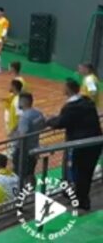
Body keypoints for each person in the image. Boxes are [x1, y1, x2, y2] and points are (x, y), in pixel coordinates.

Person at [46, 78, 103, 212]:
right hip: (95, 142)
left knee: (78, 172)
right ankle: (82, 199)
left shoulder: (71, 107)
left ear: (68, 89)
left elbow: (61, 122)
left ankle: (80, 201)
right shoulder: (87, 102)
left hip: (81, 145)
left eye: (64, 87)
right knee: (86, 173)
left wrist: (48, 121)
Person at [14, 93, 45, 188]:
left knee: (20, 174)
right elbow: (43, 125)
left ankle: (21, 194)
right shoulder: (38, 113)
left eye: (19, 101)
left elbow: (22, 136)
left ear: (23, 102)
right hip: (34, 147)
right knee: (31, 173)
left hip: (23, 151)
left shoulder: (24, 117)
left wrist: (14, 139)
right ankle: (32, 193)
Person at [3, 80, 23, 156]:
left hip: (15, 129)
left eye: (11, 85)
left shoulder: (18, 100)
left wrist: (13, 129)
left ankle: (13, 155)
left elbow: (20, 117)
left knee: (15, 144)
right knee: (12, 143)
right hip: (13, 126)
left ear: (14, 87)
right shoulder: (15, 97)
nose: (9, 87)